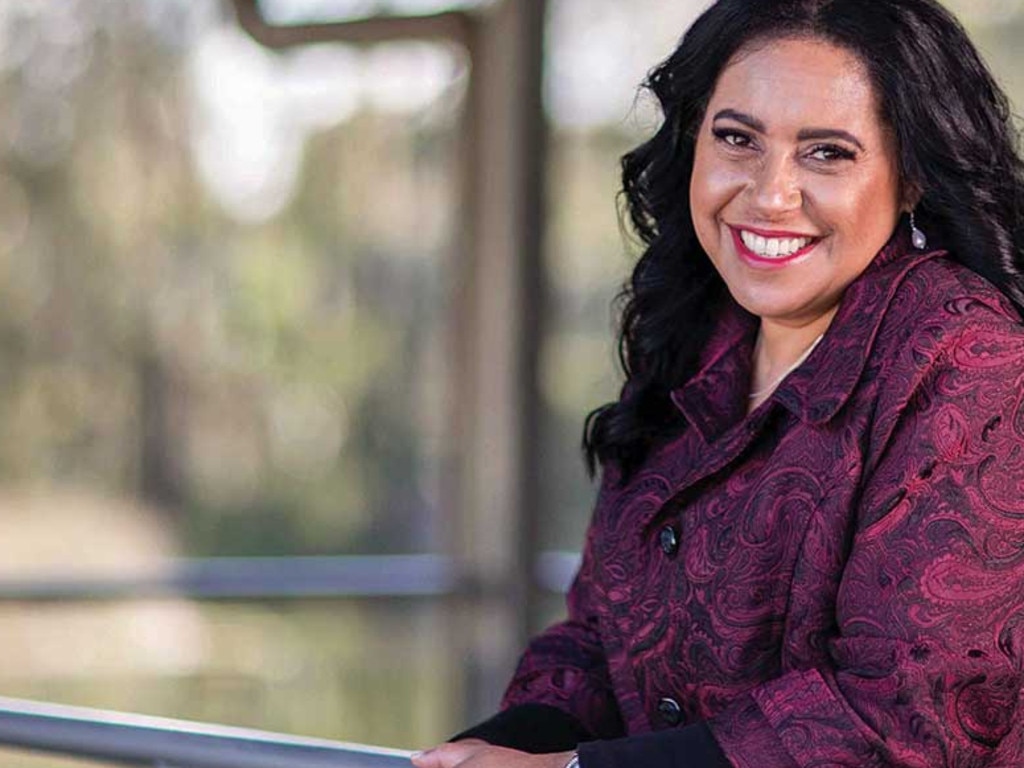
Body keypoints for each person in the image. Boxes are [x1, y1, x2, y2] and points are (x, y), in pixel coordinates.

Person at [412, 0, 1024, 765]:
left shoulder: (969, 361)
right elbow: (600, 642)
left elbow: (904, 717)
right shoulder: (695, 335)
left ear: (910, 180)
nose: (769, 194)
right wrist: (496, 750)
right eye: (737, 139)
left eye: (826, 153)